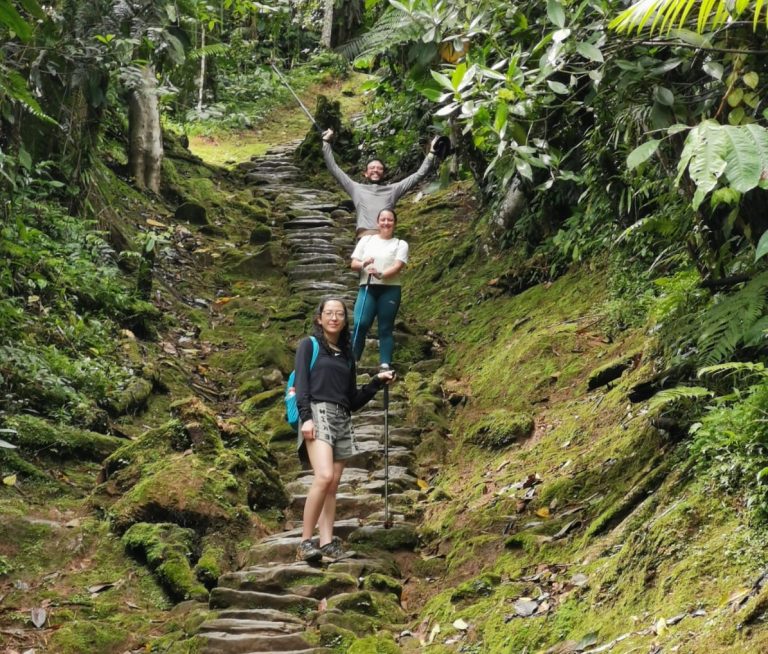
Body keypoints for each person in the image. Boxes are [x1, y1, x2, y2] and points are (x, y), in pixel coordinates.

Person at [294, 297, 395, 562]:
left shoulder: (348, 355)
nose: (334, 318)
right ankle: (305, 541)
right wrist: (306, 418)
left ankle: (326, 542)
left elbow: (352, 400)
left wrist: (375, 383)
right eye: (329, 313)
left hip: (342, 417)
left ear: (345, 320)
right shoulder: (310, 345)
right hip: (317, 413)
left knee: (333, 483)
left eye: (339, 314)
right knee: (324, 476)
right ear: (320, 318)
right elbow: (302, 385)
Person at [321, 128, 438, 237]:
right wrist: (326, 142)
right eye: (372, 168)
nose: (375, 170)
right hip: (365, 238)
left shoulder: (393, 189)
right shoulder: (356, 188)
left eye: (379, 168)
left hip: (386, 240)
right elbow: (334, 168)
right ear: (365, 173)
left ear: (384, 173)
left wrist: (432, 153)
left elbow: (418, 175)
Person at [350, 209, 407, 369]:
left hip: (390, 289)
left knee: (385, 327)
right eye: (383, 219)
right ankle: (352, 360)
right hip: (367, 286)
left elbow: (397, 266)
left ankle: (385, 364)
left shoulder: (400, 244)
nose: (386, 223)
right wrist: (364, 264)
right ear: (377, 222)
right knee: (361, 323)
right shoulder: (366, 240)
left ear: (394, 223)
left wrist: (381, 274)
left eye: (390, 220)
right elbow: (354, 264)